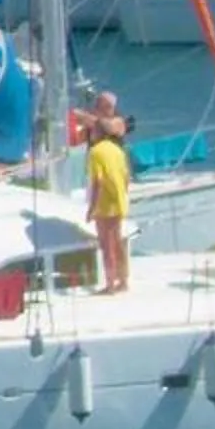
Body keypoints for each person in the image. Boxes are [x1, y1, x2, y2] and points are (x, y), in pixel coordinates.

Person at [85, 108, 132, 294]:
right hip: (119, 200)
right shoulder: (118, 150)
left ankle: (110, 284)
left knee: (107, 245)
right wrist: (123, 195)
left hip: (104, 203)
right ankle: (123, 280)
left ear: (98, 132)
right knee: (118, 241)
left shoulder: (95, 152)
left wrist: (92, 208)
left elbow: (98, 181)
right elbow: (126, 177)